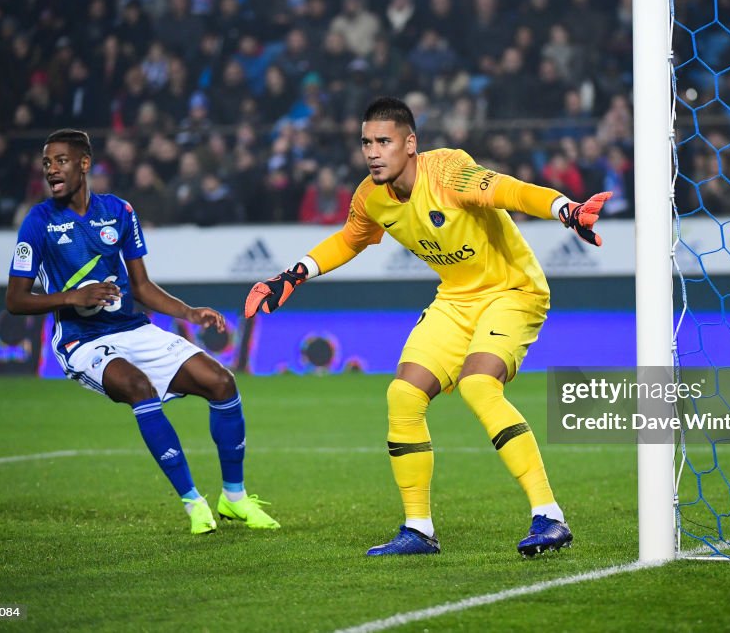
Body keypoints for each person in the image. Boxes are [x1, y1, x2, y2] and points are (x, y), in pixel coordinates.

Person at [245, 98, 610, 557]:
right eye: (366, 143)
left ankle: (550, 517)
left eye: (384, 141)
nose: (373, 152)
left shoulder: (450, 172)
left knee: (480, 385)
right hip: (456, 299)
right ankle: (418, 529)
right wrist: (293, 275)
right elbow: (349, 239)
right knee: (403, 395)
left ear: (410, 143)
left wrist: (565, 209)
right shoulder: (371, 195)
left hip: (512, 291)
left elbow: (512, 192)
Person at [6, 129, 279, 535]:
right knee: (138, 387)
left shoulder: (119, 211)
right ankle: (193, 502)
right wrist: (71, 297)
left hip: (134, 329)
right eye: (47, 163)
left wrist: (190, 312)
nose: (52, 170)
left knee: (221, 382)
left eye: (61, 160)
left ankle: (234, 498)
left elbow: (143, 287)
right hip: (83, 341)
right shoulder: (39, 221)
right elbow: (15, 300)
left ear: (84, 164)